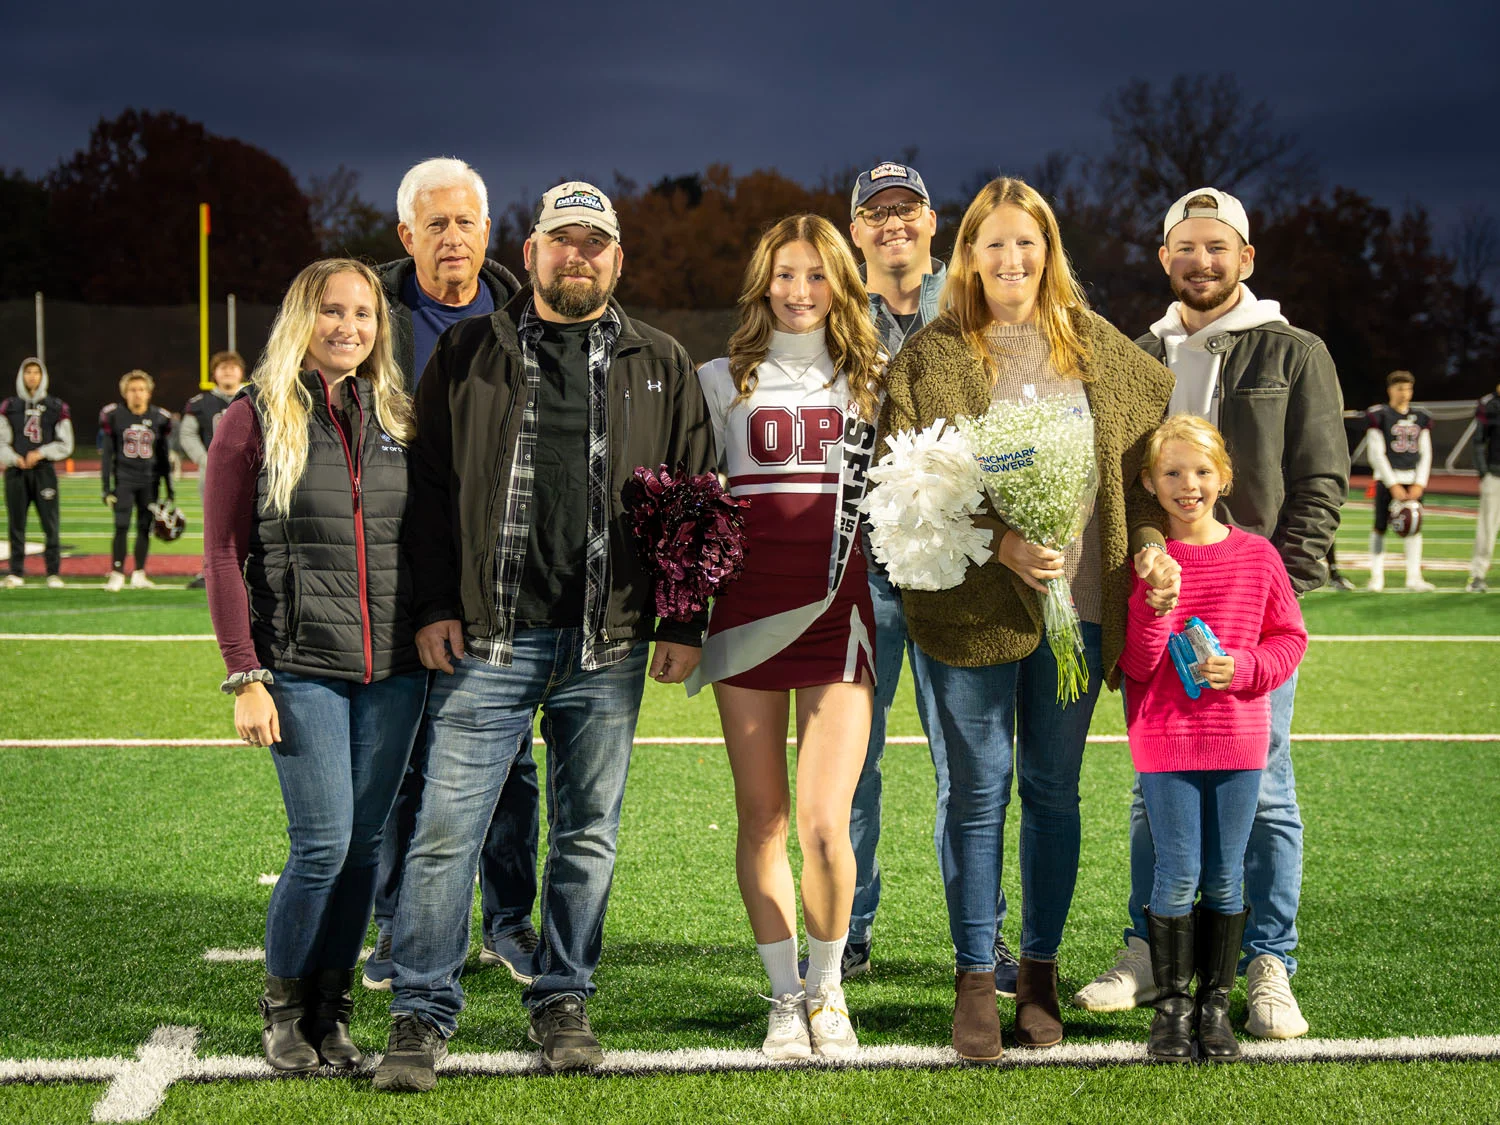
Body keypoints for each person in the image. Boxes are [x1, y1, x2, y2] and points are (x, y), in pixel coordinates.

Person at [372, 181, 714, 1091]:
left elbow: (695, 497)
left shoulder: (661, 359)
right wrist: (436, 605)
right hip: (490, 637)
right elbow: (431, 494)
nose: (578, 256)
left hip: (608, 644)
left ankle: (563, 993)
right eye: (561, 241)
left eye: (594, 243)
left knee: (587, 832)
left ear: (617, 257)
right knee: (448, 829)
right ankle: (420, 1008)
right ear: (529, 254)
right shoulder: (469, 350)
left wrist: (683, 618)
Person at [879, 177, 1175, 1060]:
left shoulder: (1102, 351)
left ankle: (1038, 971)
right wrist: (1000, 541)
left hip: (1076, 614)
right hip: (969, 607)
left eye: (1028, 243)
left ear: (1051, 252)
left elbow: (1137, 481)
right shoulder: (930, 356)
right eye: (993, 243)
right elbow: (906, 490)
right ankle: (977, 973)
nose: (1011, 260)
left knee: (1052, 793)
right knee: (975, 795)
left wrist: (1152, 545)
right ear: (967, 254)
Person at [1077, 187, 1348, 1042]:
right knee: (1148, 793)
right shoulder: (1136, 355)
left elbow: (1321, 479)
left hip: (1246, 605)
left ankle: (1268, 960)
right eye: (1185, 247)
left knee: (1264, 792)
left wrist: (1277, 591)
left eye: (1217, 247)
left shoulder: (1293, 351)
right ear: (1165, 258)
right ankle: (1149, 948)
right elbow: (1120, 482)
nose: (1200, 261)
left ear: (1246, 258)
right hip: (1157, 604)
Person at [202, 258, 427, 1073]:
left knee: (367, 847)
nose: (349, 327)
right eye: (332, 312)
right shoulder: (253, 416)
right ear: (304, 316)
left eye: (364, 314)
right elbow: (223, 556)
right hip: (300, 666)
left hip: (395, 669)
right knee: (323, 845)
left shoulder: (399, 412)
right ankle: (283, 1006)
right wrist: (245, 674)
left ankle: (331, 1012)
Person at [692, 214, 881, 1060]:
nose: (800, 291)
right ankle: (782, 995)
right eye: (784, 274)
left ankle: (828, 988)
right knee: (761, 816)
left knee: (823, 824)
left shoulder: (876, 381)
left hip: (839, 623)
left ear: (841, 282)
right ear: (762, 281)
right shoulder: (715, 380)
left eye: (816, 274)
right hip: (744, 620)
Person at [839, 162, 1022, 991]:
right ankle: (845, 925)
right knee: (850, 760)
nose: (892, 226)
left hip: (964, 568)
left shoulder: (975, 301)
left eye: (905, 211)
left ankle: (979, 940)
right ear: (856, 230)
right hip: (862, 571)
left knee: (973, 766)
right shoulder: (831, 311)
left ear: (933, 221)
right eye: (875, 215)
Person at [364, 157, 536, 992]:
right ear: (407, 236)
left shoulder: (525, 311)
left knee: (512, 762)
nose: (453, 238)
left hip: (504, 571)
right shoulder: (371, 318)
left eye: (466, 222)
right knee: (402, 756)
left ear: (487, 231)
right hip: (402, 565)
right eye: (435, 224)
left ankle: (508, 918)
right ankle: (396, 924)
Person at [1120, 415, 1307, 1063]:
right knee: (1175, 873)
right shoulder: (1147, 561)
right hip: (1165, 743)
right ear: (1149, 482)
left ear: (1223, 477)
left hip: (1238, 741)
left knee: (1226, 876)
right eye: (1171, 472)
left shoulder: (1258, 555)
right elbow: (1139, 665)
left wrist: (1246, 668)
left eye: (1201, 471)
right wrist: (1154, 603)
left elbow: (1290, 639)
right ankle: (1171, 1010)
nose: (1187, 484)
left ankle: (1214, 1007)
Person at [99, 370, 174, 590]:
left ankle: (139, 573)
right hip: (124, 479)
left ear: (149, 393)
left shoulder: (160, 417)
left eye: (141, 389)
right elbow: (107, 454)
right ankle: (117, 572)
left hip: (149, 481)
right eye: (133, 390)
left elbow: (162, 455)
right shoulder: (114, 416)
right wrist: (106, 487)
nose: (137, 394)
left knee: (144, 527)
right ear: (125, 393)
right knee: (121, 526)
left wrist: (169, 488)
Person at [2, 358, 73, 588]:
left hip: (44, 472)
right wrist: (14, 458)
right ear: (21, 376)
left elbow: (66, 443)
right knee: (16, 523)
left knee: (50, 523)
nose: (32, 377)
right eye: (28, 372)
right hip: (16, 472)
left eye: (36, 372)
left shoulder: (56, 406)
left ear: (43, 376)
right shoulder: (9, 406)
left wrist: (41, 453)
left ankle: (53, 572)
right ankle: (16, 571)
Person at [180, 350, 247, 589]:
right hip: (214, 474)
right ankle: (210, 570)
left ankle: (248, 572)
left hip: (250, 472)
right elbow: (187, 434)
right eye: (223, 367)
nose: (228, 371)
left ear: (241, 371)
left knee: (251, 522)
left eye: (233, 367)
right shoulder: (200, 403)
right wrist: (204, 459)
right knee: (214, 524)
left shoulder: (256, 397)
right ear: (214, 373)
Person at [1366, 370, 1434, 592]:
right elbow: (1376, 453)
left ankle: (1414, 577)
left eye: (1408, 388)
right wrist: (1391, 483)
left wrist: (1420, 483)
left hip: (1412, 479)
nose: (1405, 393)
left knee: (1414, 527)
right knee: (1379, 527)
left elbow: (1426, 452)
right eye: (1400, 388)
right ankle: (1377, 577)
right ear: (1390, 390)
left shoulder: (1421, 417)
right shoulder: (1380, 415)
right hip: (1388, 479)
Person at [1467, 380, 1500, 593]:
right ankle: (1478, 575)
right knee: (1487, 528)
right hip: (1495, 473)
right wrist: (1484, 472)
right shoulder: (1489, 405)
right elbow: (1478, 441)